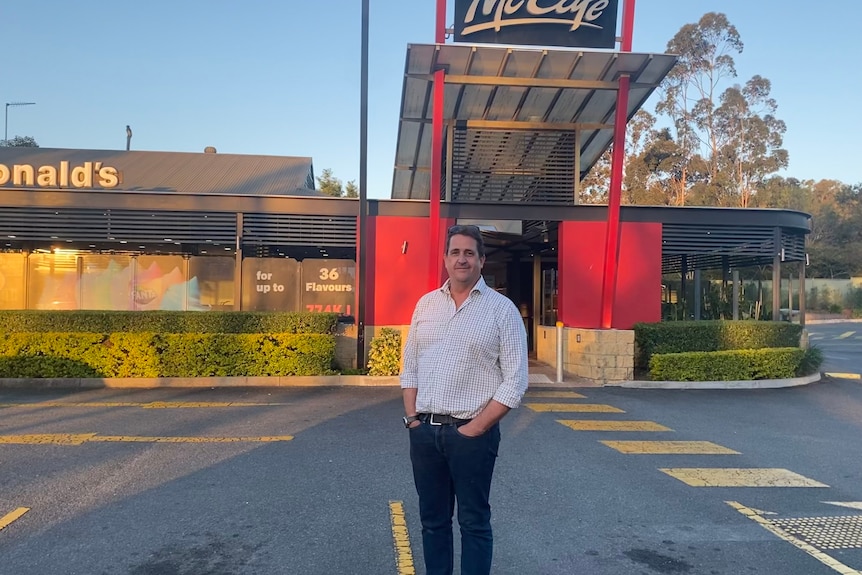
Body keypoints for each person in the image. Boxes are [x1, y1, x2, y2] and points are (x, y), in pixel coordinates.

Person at [400, 224, 529, 575]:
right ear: (445, 259)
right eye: (455, 252)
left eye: (469, 253)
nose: (461, 259)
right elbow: (410, 366)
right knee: (433, 522)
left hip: (472, 436)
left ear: (482, 260)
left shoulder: (501, 311)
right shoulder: (425, 305)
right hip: (425, 434)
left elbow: (515, 381)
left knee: (473, 523)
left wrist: (474, 429)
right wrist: (412, 419)